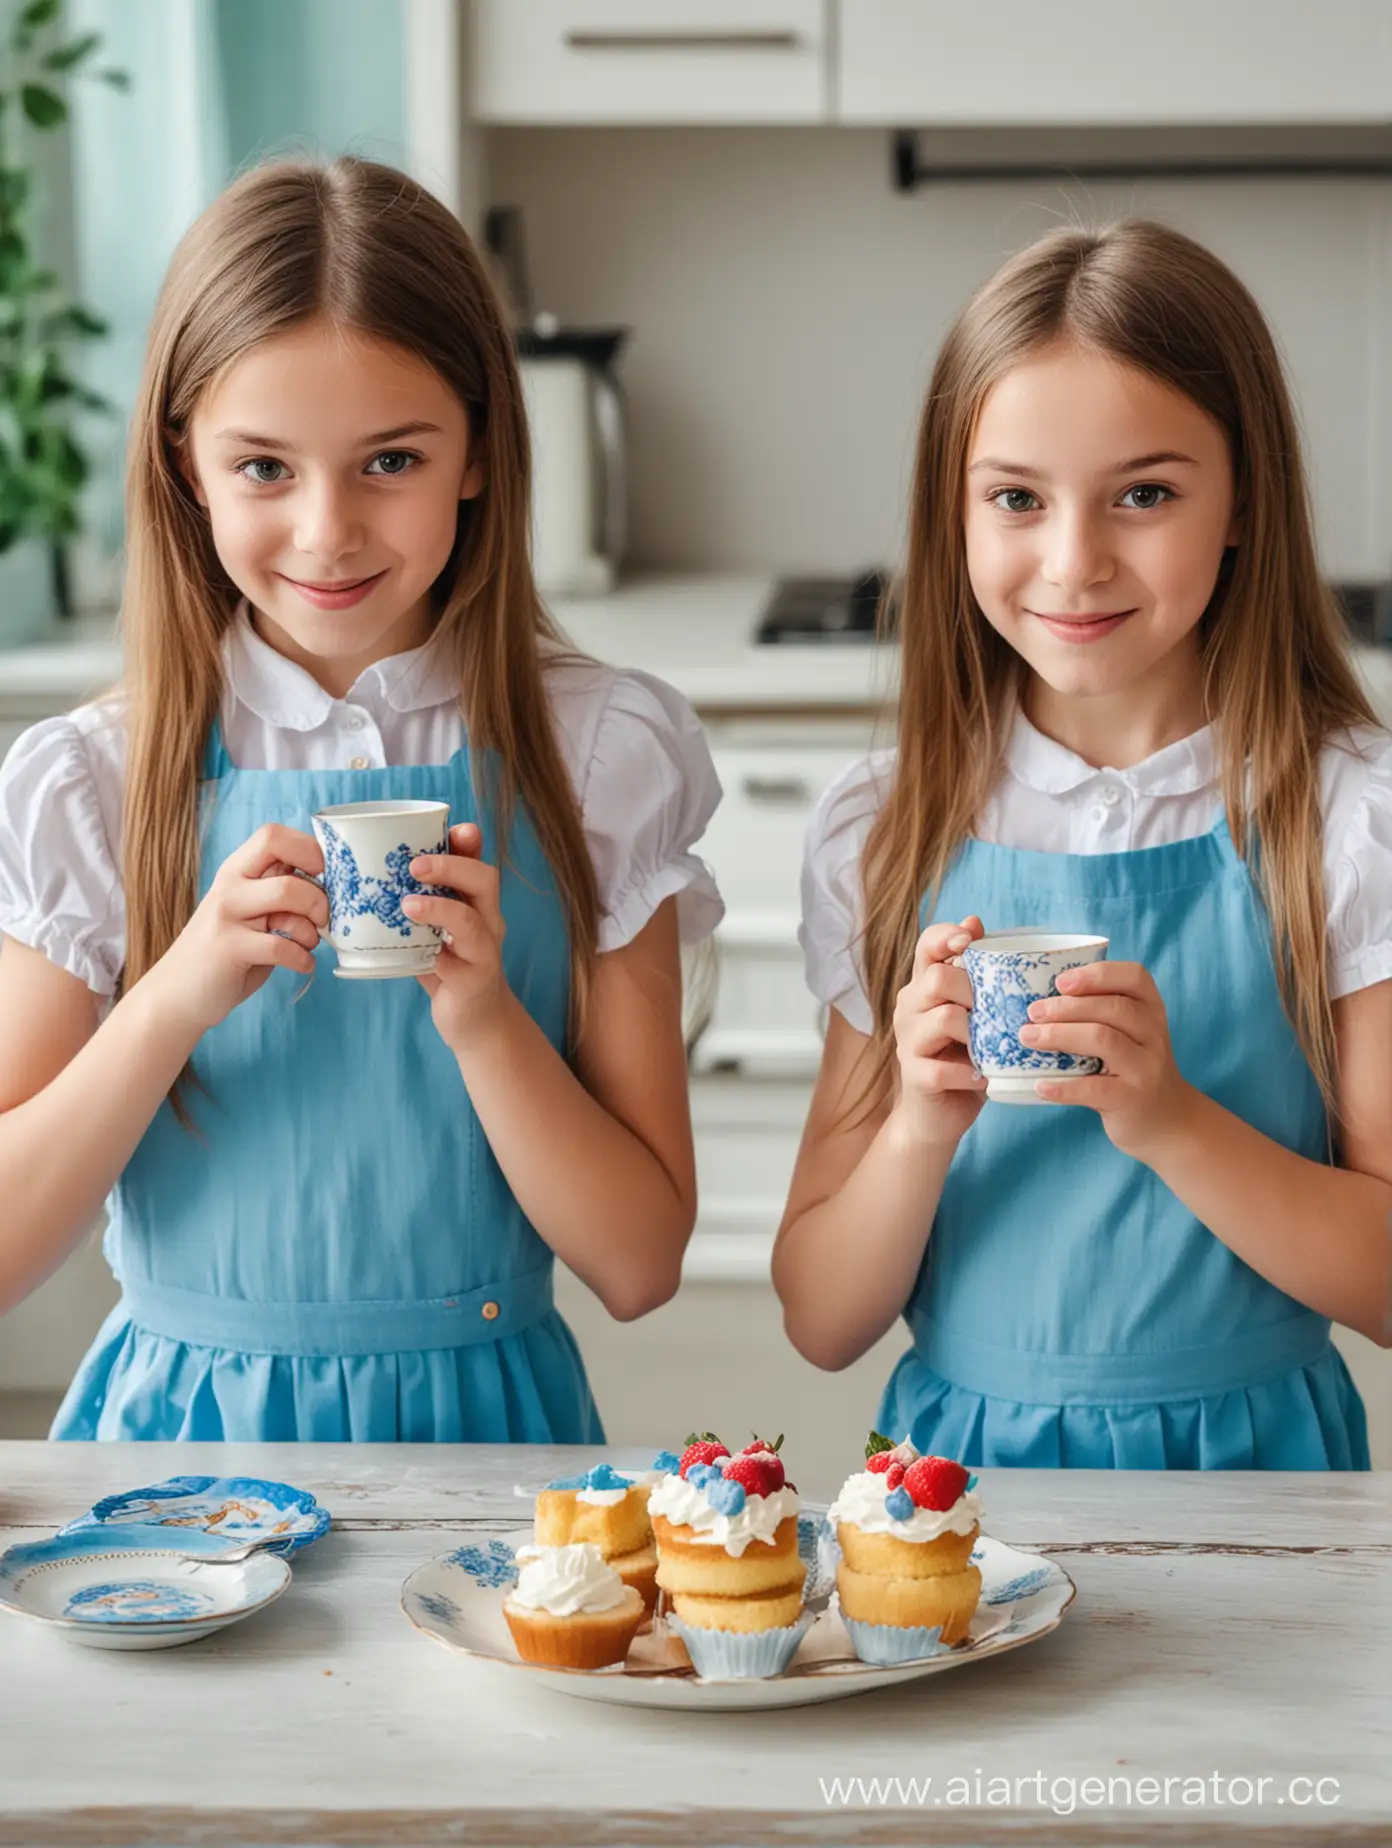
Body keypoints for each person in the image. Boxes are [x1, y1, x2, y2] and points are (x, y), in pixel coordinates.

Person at [0, 157, 723, 1442]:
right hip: (176, 1451)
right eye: (265, 468)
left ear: (480, 455)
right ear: (186, 468)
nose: (328, 532)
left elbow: (638, 1262)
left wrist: (488, 1018)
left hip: (491, 1448)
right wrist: (171, 995)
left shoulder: (599, 752)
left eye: (389, 458)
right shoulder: (96, 780)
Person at [774, 219, 1392, 1468]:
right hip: (953, 1496)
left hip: (1259, 1484)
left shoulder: (1348, 820)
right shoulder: (884, 832)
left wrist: (1172, 1121)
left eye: (1145, 495)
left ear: (1242, 505)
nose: (1075, 561)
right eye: (1015, 498)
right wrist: (917, 1129)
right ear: (952, 513)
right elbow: (823, 1318)